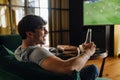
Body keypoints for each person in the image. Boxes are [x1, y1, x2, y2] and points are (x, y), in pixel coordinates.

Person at [14, 15, 99, 80]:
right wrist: (88, 52)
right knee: (92, 68)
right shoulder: (36, 52)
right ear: (29, 34)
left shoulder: (18, 51)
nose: (47, 32)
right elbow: (69, 68)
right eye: (43, 29)